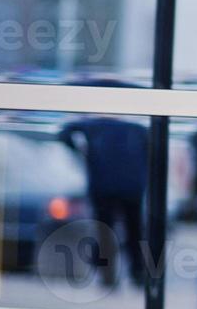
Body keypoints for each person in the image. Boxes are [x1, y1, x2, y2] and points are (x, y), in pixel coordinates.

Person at [57, 115, 149, 287]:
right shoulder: (136, 127)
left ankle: (108, 276)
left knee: (105, 231)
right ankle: (136, 273)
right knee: (134, 230)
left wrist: (82, 153)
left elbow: (64, 133)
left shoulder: (94, 125)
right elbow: (153, 148)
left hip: (103, 185)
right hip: (131, 186)